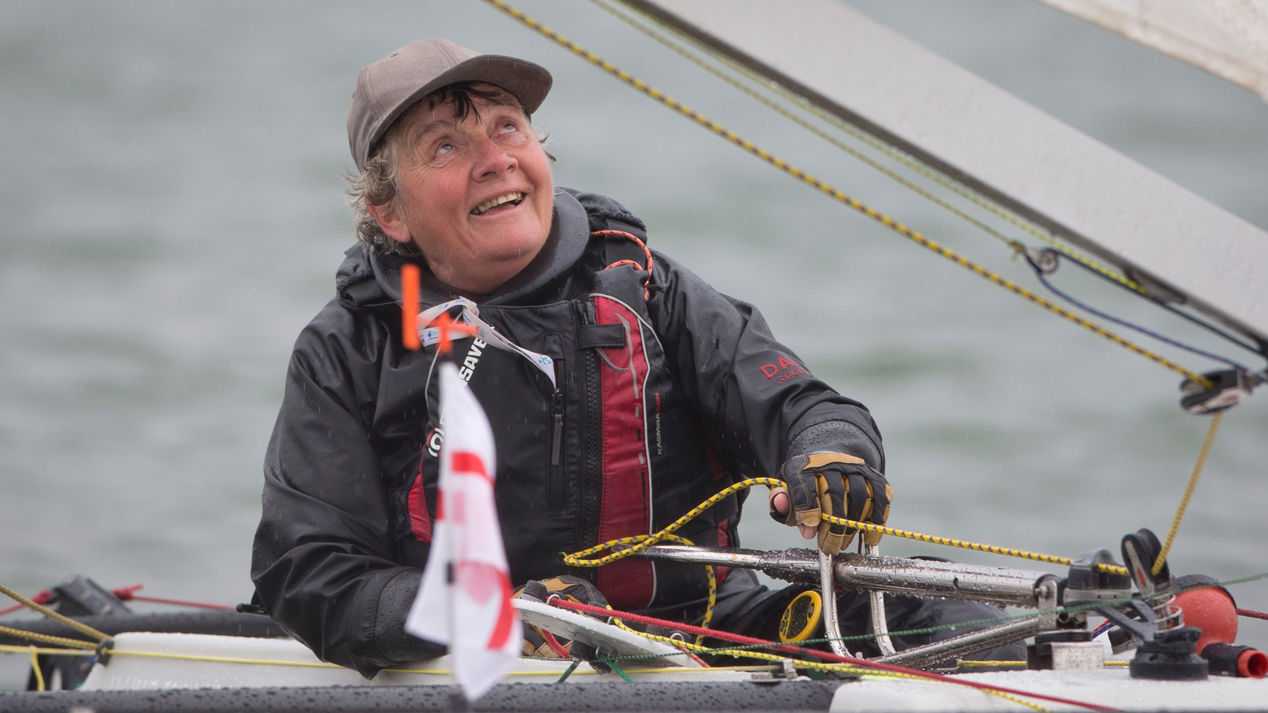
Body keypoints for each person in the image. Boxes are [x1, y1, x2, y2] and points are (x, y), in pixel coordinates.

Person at [251, 38, 1017, 678]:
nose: (495, 160)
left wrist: (831, 455)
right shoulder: (347, 349)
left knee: (966, 628)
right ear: (390, 212)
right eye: (447, 146)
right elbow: (308, 571)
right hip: (483, 663)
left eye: (508, 128)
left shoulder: (645, 288)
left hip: (709, 634)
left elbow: (805, 408)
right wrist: (498, 610)